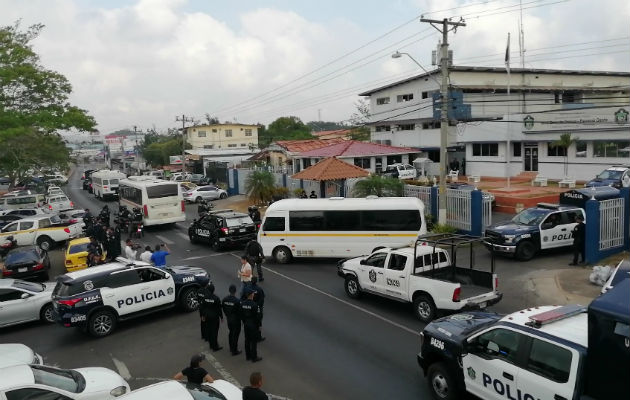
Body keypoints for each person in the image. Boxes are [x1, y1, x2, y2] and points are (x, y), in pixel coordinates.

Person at [241, 288, 262, 362]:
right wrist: (259, 326)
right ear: (251, 295)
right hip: (253, 325)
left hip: (246, 324)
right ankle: (254, 357)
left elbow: (241, 314)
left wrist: (244, 321)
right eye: (253, 293)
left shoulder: (243, 304)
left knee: (247, 340)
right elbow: (258, 317)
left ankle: (248, 356)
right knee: (253, 342)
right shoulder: (255, 305)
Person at [221, 284, 242, 356]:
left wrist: (227, 315)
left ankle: (231, 347)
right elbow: (240, 312)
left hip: (229, 319)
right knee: (235, 335)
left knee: (231, 333)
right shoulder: (237, 301)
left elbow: (223, 308)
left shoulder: (225, 299)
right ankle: (234, 350)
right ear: (235, 291)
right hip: (236, 320)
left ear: (229, 291)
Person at [250, 277, 265, 342]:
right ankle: (258, 337)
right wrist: (258, 306)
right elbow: (262, 299)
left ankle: (251, 335)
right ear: (256, 282)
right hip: (257, 308)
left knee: (251, 321)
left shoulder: (248, 288)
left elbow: (244, 297)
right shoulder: (259, 289)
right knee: (259, 323)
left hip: (250, 307)